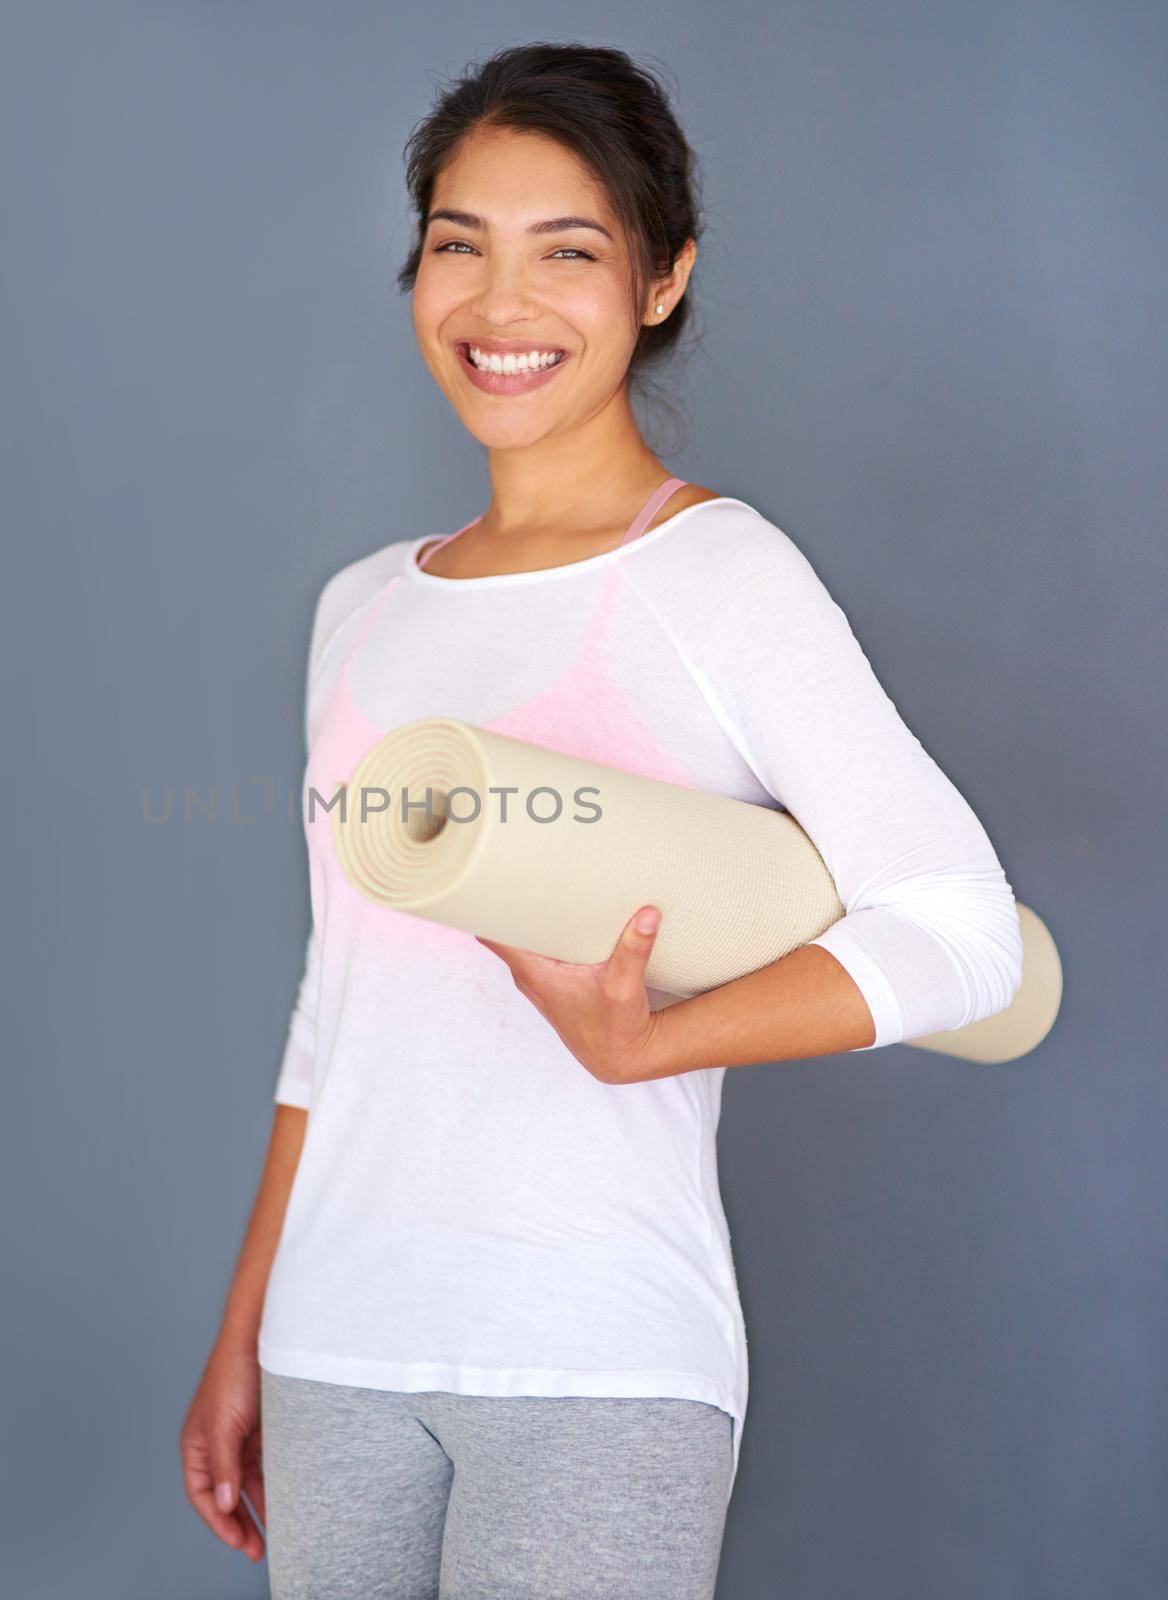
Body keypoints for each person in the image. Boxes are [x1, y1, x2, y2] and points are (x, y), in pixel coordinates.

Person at [180, 41, 1023, 1600]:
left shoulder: (718, 575)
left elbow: (964, 935)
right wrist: (243, 1334)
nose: (502, 306)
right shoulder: (359, 610)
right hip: (331, 1350)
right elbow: (335, 1008)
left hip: (593, 1358)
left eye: (566, 251)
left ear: (660, 280)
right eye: (459, 246)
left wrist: (651, 1041)